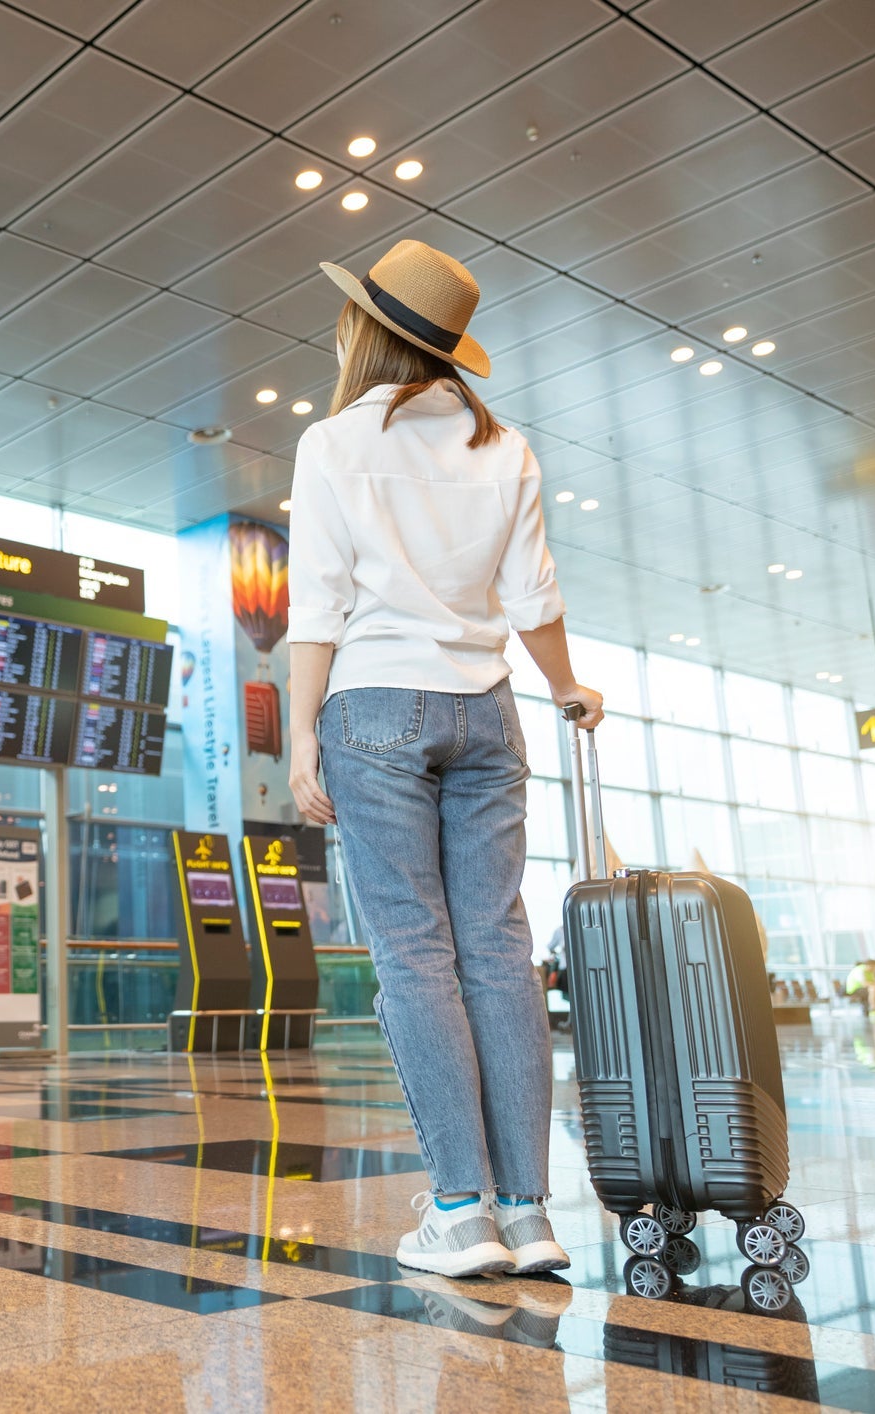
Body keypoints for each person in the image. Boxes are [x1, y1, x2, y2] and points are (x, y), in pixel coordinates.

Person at [285, 240, 600, 1280]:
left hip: (372, 704)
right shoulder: (504, 446)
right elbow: (534, 596)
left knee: (413, 953)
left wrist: (298, 738)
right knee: (499, 952)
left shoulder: (333, 442)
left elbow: (317, 607)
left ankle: (458, 1210)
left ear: (367, 331)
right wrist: (566, 686)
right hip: (485, 710)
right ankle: (527, 1211)